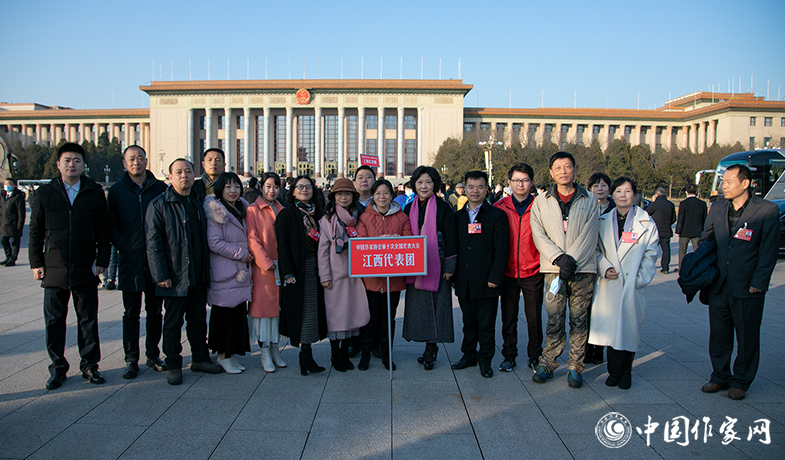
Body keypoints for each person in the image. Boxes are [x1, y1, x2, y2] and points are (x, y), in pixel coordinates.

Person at [28, 142, 111, 389]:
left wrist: (103, 261)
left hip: (85, 266)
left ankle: (89, 366)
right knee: (54, 321)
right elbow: (35, 231)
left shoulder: (94, 192)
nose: (71, 164)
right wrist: (36, 262)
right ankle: (57, 368)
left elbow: (103, 230)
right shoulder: (45, 193)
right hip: (54, 266)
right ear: (58, 164)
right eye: (67, 160)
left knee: (87, 319)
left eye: (76, 160)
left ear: (83, 165)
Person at [699, 164, 779, 400]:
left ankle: (741, 380)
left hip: (748, 285)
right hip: (719, 284)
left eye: (728, 181)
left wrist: (759, 281)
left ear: (745, 184)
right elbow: (707, 240)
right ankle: (719, 376)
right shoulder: (717, 207)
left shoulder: (767, 210)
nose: (723, 185)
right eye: (722, 181)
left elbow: (769, 250)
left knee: (747, 336)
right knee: (719, 334)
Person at [145, 158, 223, 385]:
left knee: (198, 320)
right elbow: (153, 243)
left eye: (188, 171)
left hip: (197, 275)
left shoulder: (200, 202)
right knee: (172, 323)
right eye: (178, 172)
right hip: (174, 276)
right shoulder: (159, 204)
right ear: (170, 177)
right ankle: (173, 364)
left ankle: (200, 358)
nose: (184, 176)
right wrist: (160, 275)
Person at [530, 151, 599, 388]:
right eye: (558, 167)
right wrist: (559, 258)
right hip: (553, 270)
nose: (563, 171)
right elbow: (538, 233)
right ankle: (548, 363)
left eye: (567, 167)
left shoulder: (589, 199)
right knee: (554, 319)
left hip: (582, 270)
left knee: (579, 320)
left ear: (575, 170)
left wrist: (572, 260)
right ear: (551, 172)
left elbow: (590, 235)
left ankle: (575, 367)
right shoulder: (541, 201)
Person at [589, 177, 659, 390]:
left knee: (628, 329)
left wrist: (639, 279)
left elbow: (651, 253)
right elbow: (596, 250)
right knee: (612, 329)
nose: (622, 195)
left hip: (631, 285)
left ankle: (625, 371)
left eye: (627, 191)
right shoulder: (603, 221)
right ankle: (614, 371)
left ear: (634, 194)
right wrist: (605, 267)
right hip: (610, 283)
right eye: (618, 191)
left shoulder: (646, 223)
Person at [107, 145, 167, 379]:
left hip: (155, 262)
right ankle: (131, 358)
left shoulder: (160, 189)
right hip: (130, 261)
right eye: (131, 159)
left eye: (140, 158)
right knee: (131, 312)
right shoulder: (117, 191)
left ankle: (152, 355)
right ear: (124, 163)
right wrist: (125, 245)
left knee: (155, 311)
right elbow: (111, 225)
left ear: (146, 161)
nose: (136, 162)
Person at [451, 171, 509, 378]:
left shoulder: (496, 216)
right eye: (471, 187)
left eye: (480, 187)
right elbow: (453, 247)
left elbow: (502, 250)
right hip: (464, 279)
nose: (475, 191)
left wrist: (495, 277)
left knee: (486, 324)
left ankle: (485, 360)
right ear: (464, 190)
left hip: (487, 281)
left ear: (487, 189)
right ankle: (468, 355)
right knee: (469, 322)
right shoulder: (456, 217)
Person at [403, 166, 457, 370]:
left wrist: (450, 266)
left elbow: (452, 238)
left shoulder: (443, 208)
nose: (424, 186)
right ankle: (425, 347)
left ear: (435, 184)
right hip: (415, 265)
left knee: (437, 308)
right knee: (420, 310)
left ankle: (431, 349)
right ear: (414, 185)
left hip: (438, 263)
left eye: (428, 182)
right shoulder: (409, 207)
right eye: (419, 182)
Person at [356, 179, 412, 371]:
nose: (382, 197)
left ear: (392, 195)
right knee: (369, 319)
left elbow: (409, 242)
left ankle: (387, 354)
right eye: (378, 193)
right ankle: (365, 354)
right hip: (371, 280)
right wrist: (377, 242)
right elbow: (361, 244)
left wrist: (398, 241)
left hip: (393, 280)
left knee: (388, 320)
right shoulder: (365, 217)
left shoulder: (402, 217)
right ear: (373, 195)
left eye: (386, 193)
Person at [276, 175, 328, 375]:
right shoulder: (286, 215)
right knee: (304, 310)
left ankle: (307, 354)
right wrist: (287, 272)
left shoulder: (319, 214)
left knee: (314, 310)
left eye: (308, 187)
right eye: (300, 187)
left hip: (317, 267)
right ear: (293, 191)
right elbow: (283, 247)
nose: (304, 190)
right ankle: (305, 355)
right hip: (298, 269)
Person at [494, 163, 543, 372]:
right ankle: (509, 355)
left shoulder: (541, 206)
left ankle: (535, 355)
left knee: (534, 318)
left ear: (531, 183)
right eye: (516, 180)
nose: (520, 184)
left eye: (524, 180)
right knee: (508, 317)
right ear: (509, 183)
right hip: (508, 272)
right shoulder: (500, 207)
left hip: (533, 270)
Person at [317, 178, 370, 372]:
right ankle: (335, 355)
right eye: (340, 194)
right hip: (335, 276)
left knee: (351, 314)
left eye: (347, 194)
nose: (344, 197)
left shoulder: (358, 217)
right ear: (334, 197)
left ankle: (345, 352)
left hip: (355, 275)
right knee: (336, 316)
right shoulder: (327, 220)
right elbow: (322, 251)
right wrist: (325, 276)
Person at [204, 173, 253, 374]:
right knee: (224, 315)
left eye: (236, 186)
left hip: (239, 272)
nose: (233, 191)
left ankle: (231, 354)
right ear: (220, 190)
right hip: (226, 272)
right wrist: (242, 253)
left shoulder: (242, 209)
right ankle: (223, 354)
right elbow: (214, 242)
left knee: (236, 314)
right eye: (228, 187)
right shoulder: (216, 211)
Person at [246, 172, 287, 372]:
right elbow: (252, 240)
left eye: (276, 187)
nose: (272, 190)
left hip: (281, 267)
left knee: (277, 312)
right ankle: (264, 354)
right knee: (264, 314)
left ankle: (275, 349)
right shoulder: (253, 211)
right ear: (261, 187)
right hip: (263, 270)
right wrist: (266, 262)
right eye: (268, 186)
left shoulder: (282, 209)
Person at [585, 172, 615, 365]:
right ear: (590, 189)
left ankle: (600, 349)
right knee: (587, 309)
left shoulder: (616, 209)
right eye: (596, 186)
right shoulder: (585, 206)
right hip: (588, 263)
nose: (600, 189)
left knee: (605, 308)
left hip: (609, 266)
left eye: (604, 185)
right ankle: (587, 350)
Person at [675, 183, 707, 272]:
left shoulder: (683, 203)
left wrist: (678, 230)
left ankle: (681, 268)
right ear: (696, 192)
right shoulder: (702, 204)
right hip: (698, 231)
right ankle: (698, 267)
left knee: (682, 250)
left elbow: (681, 218)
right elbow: (705, 218)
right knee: (697, 251)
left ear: (686, 192)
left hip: (685, 231)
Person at [646, 187, 676, 273]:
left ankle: (649, 266)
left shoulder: (655, 204)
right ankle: (665, 267)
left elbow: (647, 213)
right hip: (666, 230)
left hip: (656, 230)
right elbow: (673, 219)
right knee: (666, 250)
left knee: (651, 249)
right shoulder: (670, 204)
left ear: (656, 194)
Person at [1, 178, 25, 267]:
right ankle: (8, 256)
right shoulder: (4, 197)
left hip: (13, 224)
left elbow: (21, 213)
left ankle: (13, 259)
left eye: (8, 184)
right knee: (3, 240)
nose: (6, 186)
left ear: (14, 186)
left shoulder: (18, 197)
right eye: (5, 184)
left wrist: (19, 225)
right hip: (4, 224)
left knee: (15, 242)